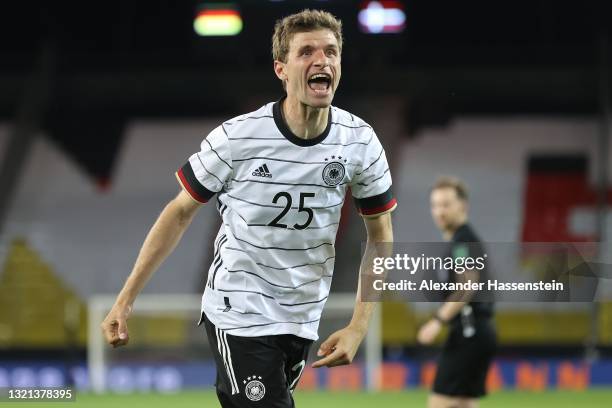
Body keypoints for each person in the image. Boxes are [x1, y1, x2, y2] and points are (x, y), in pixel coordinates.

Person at [101, 9, 396, 407]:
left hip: (302, 314)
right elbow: (180, 212)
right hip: (238, 306)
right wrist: (126, 297)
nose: (321, 60)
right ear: (281, 68)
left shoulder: (360, 142)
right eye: (306, 52)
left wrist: (359, 328)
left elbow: (380, 237)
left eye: (330, 51)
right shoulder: (238, 138)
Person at [417, 176, 496, 408]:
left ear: (463, 206)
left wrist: (437, 321)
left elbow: (467, 286)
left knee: (439, 403)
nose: (439, 211)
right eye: (435, 205)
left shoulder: (463, 242)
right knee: (463, 403)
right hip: (477, 332)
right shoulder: (460, 242)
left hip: (469, 332)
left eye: (446, 204)